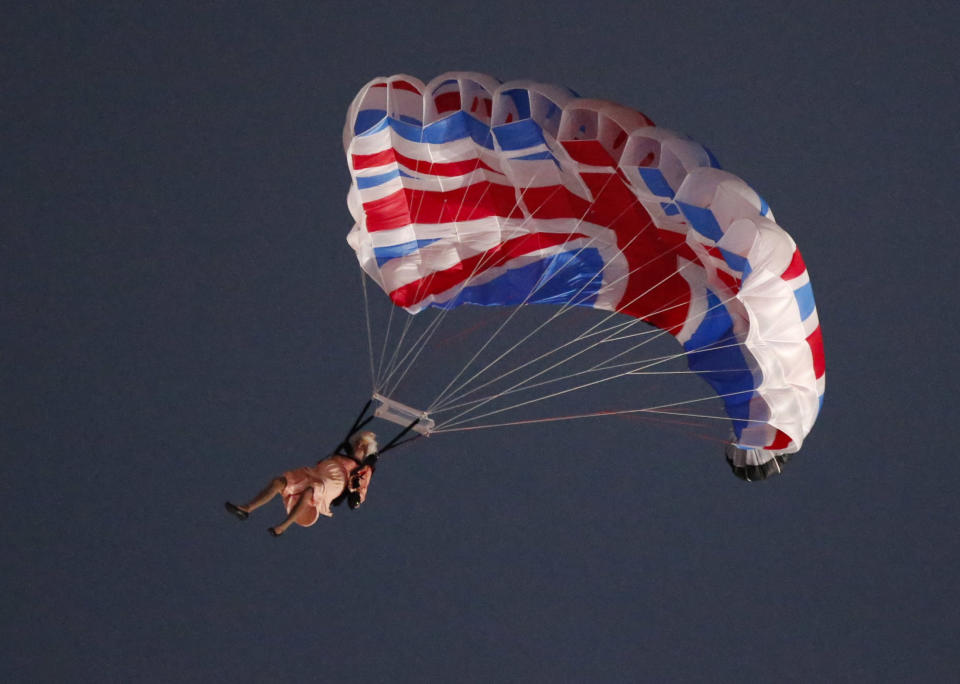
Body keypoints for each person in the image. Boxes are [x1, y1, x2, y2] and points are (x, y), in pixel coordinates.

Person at [225, 431, 378, 536]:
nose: (358, 446)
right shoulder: (341, 454)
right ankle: (246, 509)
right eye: (358, 443)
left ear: (366, 452)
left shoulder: (364, 470)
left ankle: (282, 527)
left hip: (335, 481)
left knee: (311, 492)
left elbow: (356, 502)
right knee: (280, 482)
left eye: (363, 446)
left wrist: (356, 489)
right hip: (317, 472)